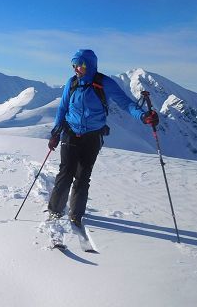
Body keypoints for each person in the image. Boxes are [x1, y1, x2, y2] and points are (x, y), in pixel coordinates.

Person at [47, 49, 159, 227]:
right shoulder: (72, 83)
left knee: (83, 177)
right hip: (70, 132)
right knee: (65, 173)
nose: (76, 69)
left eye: (80, 65)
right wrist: (55, 133)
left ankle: (76, 215)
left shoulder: (104, 83)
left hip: (92, 137)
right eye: (74, 65)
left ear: (89, 65)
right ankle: (54, 211)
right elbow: (62, 108)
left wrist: (143, 116)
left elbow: (126, 103)